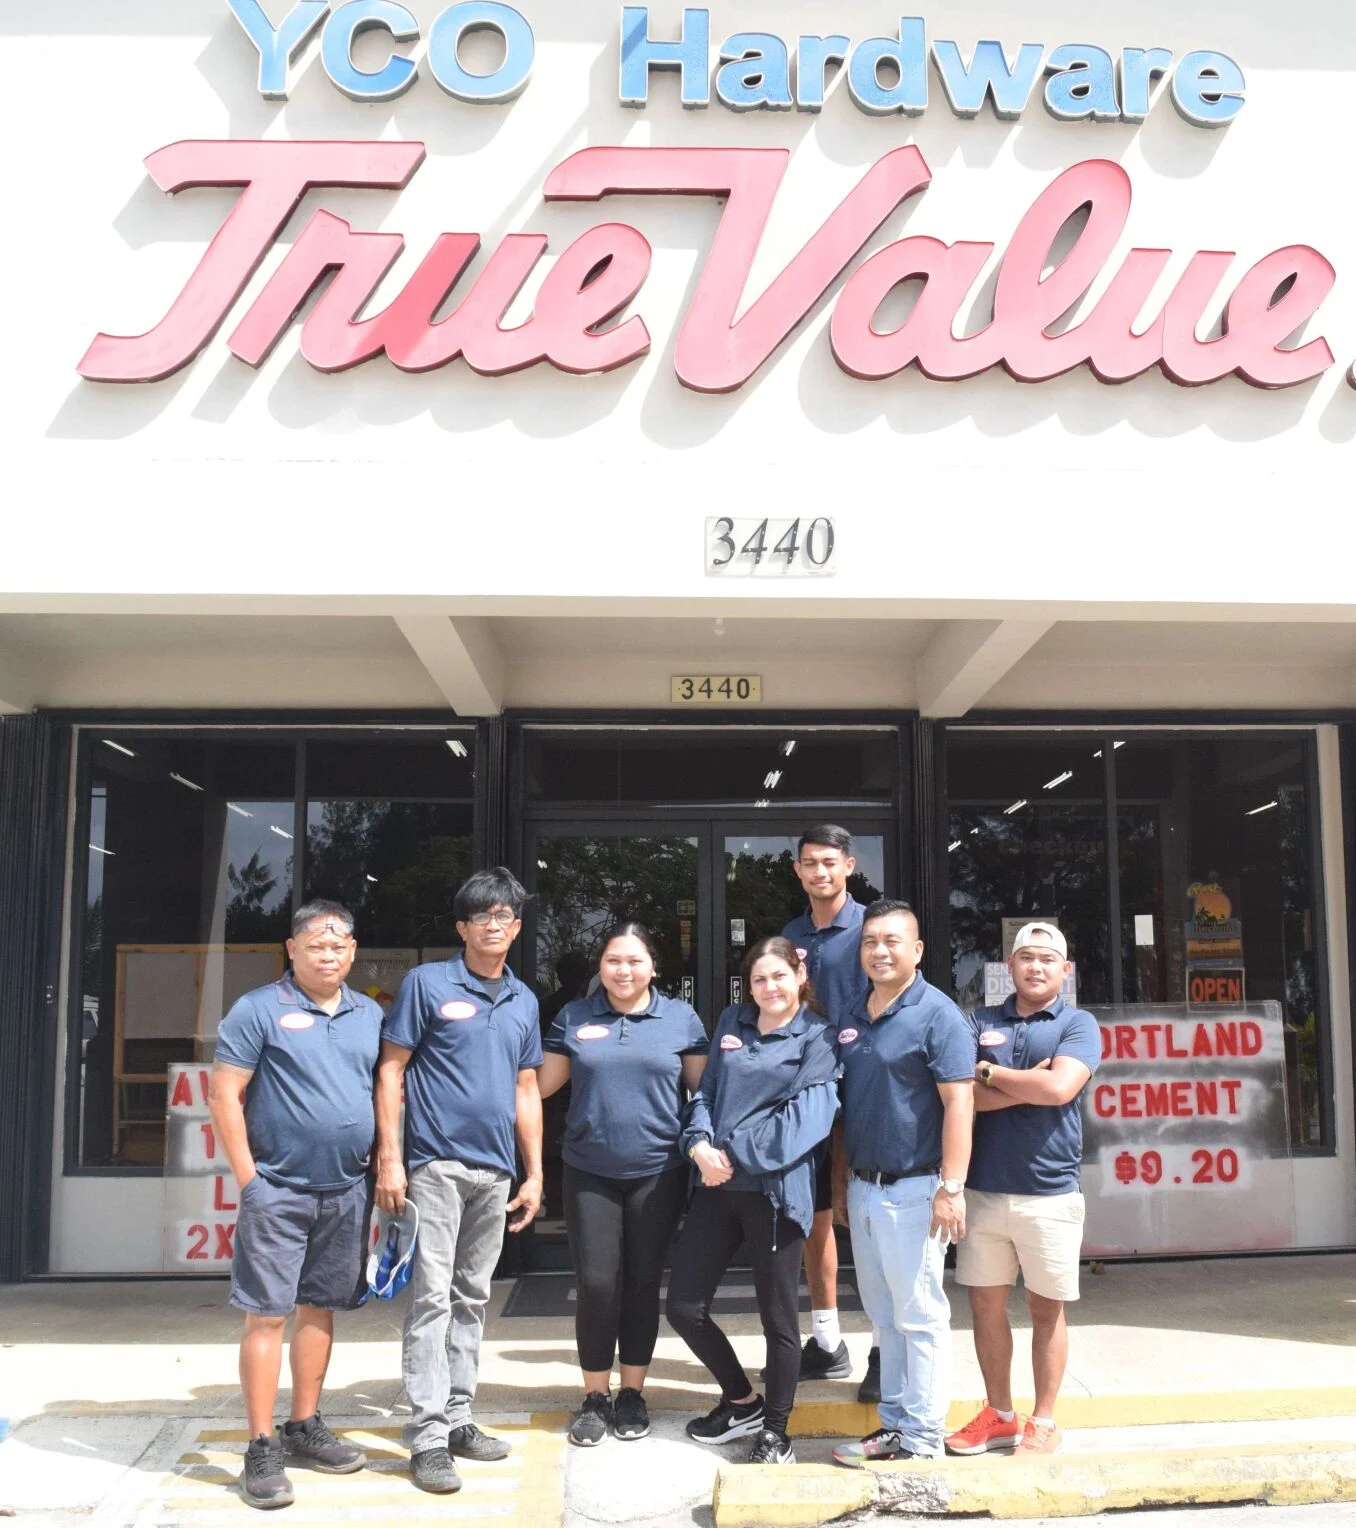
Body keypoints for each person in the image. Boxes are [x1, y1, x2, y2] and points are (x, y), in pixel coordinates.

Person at [208, 900, 382, 1510]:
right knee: (266, 1314)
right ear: (292, 949)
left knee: (320, 1307)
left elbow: (382, 1091)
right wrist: (249, 1180)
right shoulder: (258, 1008)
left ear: (352, 951)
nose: (327, 956)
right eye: (315, 946)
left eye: (338, 946)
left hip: (347, 1188)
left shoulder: (369, 1014)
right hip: (277, 1188)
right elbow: (224, 1094)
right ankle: (261, 1445)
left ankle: (304, 1424)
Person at [375, 869, 544, 1495]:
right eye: (482, 916)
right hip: (435, 1164)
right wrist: (391, 1158)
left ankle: (458, 1416)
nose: (493, 925)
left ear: (517, 927)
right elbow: (391, 1071)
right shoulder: (427, 984)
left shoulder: (523, 999)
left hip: (496, 1170)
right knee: (432, 1297)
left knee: (472, 1295)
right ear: (462, 928)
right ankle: (427, 1436)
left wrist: (535, 1171)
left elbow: (527, 1088)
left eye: (504, 916)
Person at [667, 936, 840, 1466]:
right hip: (716, 1188)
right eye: (760, 979)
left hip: (774, 1194)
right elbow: (707, 1093)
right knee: (683, 1307)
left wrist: (730, 1153)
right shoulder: (732, 1022)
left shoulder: (818, 1036)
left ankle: (776, 1433)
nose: (770, 988)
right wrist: (697, 1144)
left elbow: (806, 1122)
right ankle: (741, 1401)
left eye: (779, 976)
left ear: (800, 976)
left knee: (779, 1321)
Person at [538, 922, 709, 1446]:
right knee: (596, 1284)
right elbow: (539, 1086)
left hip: (659, 1172)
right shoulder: (575, 1016)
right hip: (589, 1169)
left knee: (641, 1283)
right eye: (614, 960)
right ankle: (595, 1395)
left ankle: (632, 1391)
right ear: (600, 967)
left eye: (635, 960)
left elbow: (703, 1093)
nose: (624, 970)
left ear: (653, 966)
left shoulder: (680, 1019)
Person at [945, 922, 1101, 1458]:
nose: (1036, 967)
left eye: (1047, 959)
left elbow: (1060, 1088)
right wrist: (1025, 1083)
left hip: (1050, 1191)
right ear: (1008, 966)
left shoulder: (1078, 1024)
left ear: (1065, 969)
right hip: (983, 1189)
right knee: (985, 1307)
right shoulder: (978, 1020)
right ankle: (1000, 1414)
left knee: (1046, 1310)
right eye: (1026, 957)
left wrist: (990, 1075)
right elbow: (959, 1095)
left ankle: (1045, 1420)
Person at [829, 901, 975, 1466]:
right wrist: (842, 1186)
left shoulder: (938, 1014)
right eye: (870, 942)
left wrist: (952, 1188)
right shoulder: (852, 1013)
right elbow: (846, 1110)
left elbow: (960, 1103)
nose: (880, 951)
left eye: (892, 941)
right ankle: (893, 1427)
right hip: (864, 1188)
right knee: (885, 1318)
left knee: (920, 1316)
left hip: (917, 1190)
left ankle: (922, 1437)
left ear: (917, 950)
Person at [780, 826, 877, 1395]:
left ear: (849, 866)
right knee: (816, 1218)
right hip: (811, 1090)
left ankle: (884, 1350)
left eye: (829, 862)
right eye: (810, 863)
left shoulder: (872, 928)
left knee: (866, 1217)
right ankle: (826, 1342)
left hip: (865, 1086)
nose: (820, 872)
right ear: (798, 870)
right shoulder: (791, 935)